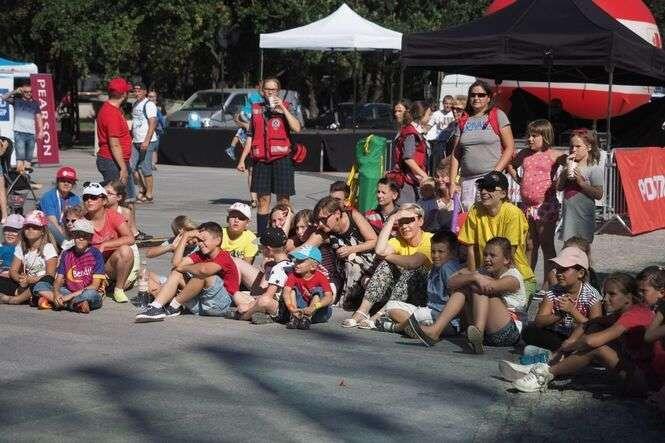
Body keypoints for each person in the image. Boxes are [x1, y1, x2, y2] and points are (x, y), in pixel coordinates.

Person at [509, 271, 663, 394]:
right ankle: (552, 363)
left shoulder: (636, 314)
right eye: (605, 293)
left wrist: (570, 346)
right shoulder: (623, 312)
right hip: (636, 371)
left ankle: (546, 373)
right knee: (595, 327)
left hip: (649, 383)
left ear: (628, 297)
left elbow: (591, 342)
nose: (605, 299)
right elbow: (590, 323)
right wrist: (567, 344)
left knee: (598, 348)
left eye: (612, 294)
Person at [342, 203, 432, 329]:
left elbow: (413, 263)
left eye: (409, 221)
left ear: (420, 221)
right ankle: (362, 312)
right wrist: (391, 219)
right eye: (401, 222)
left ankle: (379, 315)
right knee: (386, 265)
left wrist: (387, 256)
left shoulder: (429, 239)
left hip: (423, 296)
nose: (404, 226)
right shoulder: (398, 240)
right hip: (399, 293)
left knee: (414, 270)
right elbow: (379, 250)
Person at [135, 222, 239, 322]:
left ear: (217, 240)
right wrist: (185, 236)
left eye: (203, 240)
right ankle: (156, 307)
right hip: (201, 302)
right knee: (176, 272)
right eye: (199, 240)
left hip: (221, 304)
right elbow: (176, 263)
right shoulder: (200, 254)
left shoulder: (223, 256)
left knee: (202, 275)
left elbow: (204, 270)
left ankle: (174, 305)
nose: (200, 244)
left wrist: (184, 268)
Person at [236, 77, 302, 236]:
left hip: (282, 159)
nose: (270, 92)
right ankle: (262, 236)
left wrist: (283, 109)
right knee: (262, 200)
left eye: (273, 89)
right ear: (262, 91)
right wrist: (242, 160)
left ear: (278, 91)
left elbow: (297, 128)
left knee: (283, 200)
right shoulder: (256, 109)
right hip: (261, 160)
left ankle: (285, 234)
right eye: (267, 89)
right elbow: (250, 136)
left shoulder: (287, 106)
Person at [458, 171, 536, 297]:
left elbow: (509, 254)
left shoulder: (513, 213)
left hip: (515, 276)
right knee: (458, 288)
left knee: (487, 299)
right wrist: (473, 276)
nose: (483, 192)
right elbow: (470, 248)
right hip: (486, 274)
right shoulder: (475, 209)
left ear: (503, 194)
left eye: (490, 188)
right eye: (482, 188)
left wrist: (490, 283)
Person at [508, 119, 565, 285]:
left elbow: (570, 163)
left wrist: (559, 181)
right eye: (529, 135)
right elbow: (511, 165)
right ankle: (528, 282)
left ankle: (549, 285)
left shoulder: (553, 154)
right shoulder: (524, 153)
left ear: (545, 137)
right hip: (527, 206)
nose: (529, 139)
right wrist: (518, 179)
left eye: (534, 136)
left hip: (545, 206)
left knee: (547, 244)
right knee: (530, 244)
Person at [449, 80, 515, 211]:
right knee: (470, 218)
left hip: (491, 180)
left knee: (491, 218)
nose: (476, 98)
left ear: (489, 97)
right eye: (473, 95)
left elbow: (509, 147)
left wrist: (495, 173)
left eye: (481, 95)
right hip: (467, 181)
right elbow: (456, 154)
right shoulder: (464, 120)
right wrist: (452, 182)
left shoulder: (498, 115)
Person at [521, 247, 602, 351]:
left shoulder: (592, 295)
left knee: (591, 340)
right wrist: (559, 314)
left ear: (580, 273)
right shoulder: (554, 291)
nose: (558, 274)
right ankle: (563, 351)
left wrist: (572, 310)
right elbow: (539, 321)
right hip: (557, 334)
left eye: (564, 269)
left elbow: (595, 328)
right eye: (558, 269)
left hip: (578, 337)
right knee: (529, 331)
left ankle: (562, 352)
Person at [382, 230, 462, 334]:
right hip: (429, 313)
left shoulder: (448, 267)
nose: (435, 255)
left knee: (419, 313)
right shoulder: (436, 266)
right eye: (433, 251)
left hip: (446, 320)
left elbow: (456, 298)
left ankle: (399, 327)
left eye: (441, 252)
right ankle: (416, 328)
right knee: (390, 305)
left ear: (453, 252)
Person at [311, 196, 377, 309]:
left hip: (367, 259)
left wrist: (351, 249)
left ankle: (350, 300)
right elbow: (308, 245)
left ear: (337, 213)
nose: (320, 224)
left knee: (352, 262)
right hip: (342, 267)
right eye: (318, 220)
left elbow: (374, 241)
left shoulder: (353, 216)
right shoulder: (324, 230)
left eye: (323, 219)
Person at [82, 182, 135, 303]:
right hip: (90, 265)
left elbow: (130, 238)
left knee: (126, 250)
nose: (89, 200)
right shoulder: (82, 220)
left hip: (110, 265)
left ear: (104, 201)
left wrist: (104, 245)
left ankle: (118, 289)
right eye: (86, 197)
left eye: (94, 197)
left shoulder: (113, 216)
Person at [232, 227, 293, 323]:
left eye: (261, 247)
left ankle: (244, 316)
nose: (260, 250)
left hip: (281, 309)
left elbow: (268, 296)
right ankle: (261, 314)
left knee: (263, 300)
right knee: (237, 295)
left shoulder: (278, 268)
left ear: (268, 249)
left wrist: (249, 306)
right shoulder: (290, 263)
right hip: (279, 302)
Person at [46, 219, 106, 314]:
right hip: (70, 290)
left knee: (91, 294)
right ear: (73, 236)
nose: (81, 238)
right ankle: (77, 304)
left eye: (85, 236)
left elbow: (94, 286)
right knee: (54, 289)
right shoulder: (66, 254)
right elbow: (58, 279)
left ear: (90, 239)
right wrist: (57, 293)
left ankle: (67, 303)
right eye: (78, 235)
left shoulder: (96, 254)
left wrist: (68, 297)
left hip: (88, 291)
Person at [0, 210, 57, 307]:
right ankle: (30, 297)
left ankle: (16, 299)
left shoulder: (48, 247)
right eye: (27, 227)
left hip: (41, 283)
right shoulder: (20, 246)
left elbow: (50, 275)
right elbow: (13, 270)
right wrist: (20, 278)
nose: (30, 229)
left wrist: (30, 280)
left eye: (35, 227)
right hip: (25, 283)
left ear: (42, 231)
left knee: (44, 281)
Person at [557, 128, 604, 243]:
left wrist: (582, 183)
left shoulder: (593, 168)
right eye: (572, 146)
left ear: (589, 147)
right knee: (568, 246)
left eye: (578, 146)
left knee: (583, 247)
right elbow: (559, 187)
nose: (573, 150)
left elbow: (599, 194)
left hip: (584, 217)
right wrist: (565, 171)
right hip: (569, 217)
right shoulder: (569, 165)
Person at [95, 77, 136, 204]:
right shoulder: (111, 113)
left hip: (115, 161)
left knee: (126, 199)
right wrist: (123, 168)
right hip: (113, 162)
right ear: (123, 94)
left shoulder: (112, 110)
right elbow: (114, 144)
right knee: (122, 200)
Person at [275, 245, 334, 330]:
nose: (296, 264)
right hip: (300, 309)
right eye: (296, 261)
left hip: (319, 312)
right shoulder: (293, 275)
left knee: (318, 291)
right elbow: (286, 292)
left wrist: (314, 307)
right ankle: (294, 316)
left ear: (313, 266)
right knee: (292, 290)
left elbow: (329, 297)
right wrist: (291, 308)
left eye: (300, 261)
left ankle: (307, 318)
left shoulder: (321, 277)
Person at [144, 215, 199, 298]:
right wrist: (171, 247)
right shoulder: (175, 241)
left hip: (193, 281)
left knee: (176, 271)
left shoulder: (200, 242)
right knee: (145, 274)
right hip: (179, 279)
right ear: (179, 234)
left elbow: (176, 264)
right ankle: (165, 293)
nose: (191, 242)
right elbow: (149, 253)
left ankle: (165, 295)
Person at [389, 100, 430, 202]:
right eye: (429, 115)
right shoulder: (410, 133)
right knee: (407, 208)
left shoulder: (414, 131)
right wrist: (424, 175)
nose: (430, 117)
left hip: (413, 179)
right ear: (422, 115)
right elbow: (408, 158)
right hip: (407, 181)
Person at [104, 180, 140, 288]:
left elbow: (132, 239)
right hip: (106, 254)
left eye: (109, 193)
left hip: (125, 252)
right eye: (104, 192)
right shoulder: (99, 211)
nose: (104, 195)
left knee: (126, 284)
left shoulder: (125, 212)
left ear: (119, 197)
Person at [1, 82, 44, 172]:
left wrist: (41, 131)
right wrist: (15, 91)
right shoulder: (16, 101)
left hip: (31, 133)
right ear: (22, 92)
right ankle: (20, 177)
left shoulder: (35, 103)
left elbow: (39, 117)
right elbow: (4, 97)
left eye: (30, 92)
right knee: (20, 158)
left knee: (28, 160)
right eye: (26, 92)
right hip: (19, 133)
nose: (28, 93)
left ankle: (26, 177)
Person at [38, 166, 82, 246]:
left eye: (69, 182)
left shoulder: (75, 198)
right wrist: (64, 238)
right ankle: (66, 245)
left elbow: (78, 219)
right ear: (57, 182)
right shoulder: (48, 197)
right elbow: (52, 222)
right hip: (50, 231)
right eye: (63, 181)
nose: (66, 184)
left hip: (68, 228)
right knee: (49, 224)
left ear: (73, 184)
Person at [130, 83, 159, 202]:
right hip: (136, 140)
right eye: (135, 91)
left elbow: (153, 123)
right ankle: (142, 188)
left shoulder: (149, 104)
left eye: (139, 90)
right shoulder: (134, 104)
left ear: (145, 91)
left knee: (146, 168)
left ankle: (149, 194)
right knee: (131, 167)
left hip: (147, 140)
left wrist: (146, 141)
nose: (137, 93)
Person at [426, 95, 455, 172]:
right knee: (436, 159)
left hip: (450, 141)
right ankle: (434, 173)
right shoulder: (436, 114)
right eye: (446, 103)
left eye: (450, 104)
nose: (448, 105)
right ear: (443, 103)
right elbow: (429, 125)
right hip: (438, 140)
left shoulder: (454, 114)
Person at [0, 214, 24, 296]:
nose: (10, 233)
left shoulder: (23, 249)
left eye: (14, 231)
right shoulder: (1, 246)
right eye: (7, 230)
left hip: (14, 281)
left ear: (22, 232)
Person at [147, 89, 166, 170]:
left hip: (156, 130)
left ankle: (153, 163)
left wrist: (162, 127)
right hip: (146, 129)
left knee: (154, 147)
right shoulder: (145, 105)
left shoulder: (159, 107)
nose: (150, 98)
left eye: (152, 97)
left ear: (155, 97)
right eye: (149, 96)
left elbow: (162, 118)